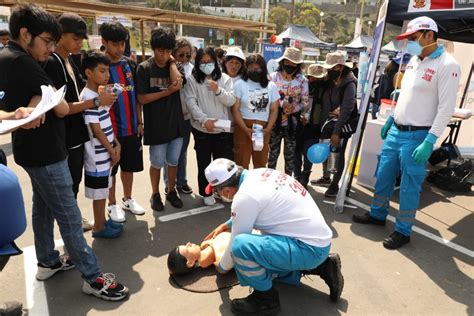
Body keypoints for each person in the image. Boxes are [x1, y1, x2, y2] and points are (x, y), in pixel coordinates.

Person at [0, 3, 128, 300]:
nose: (50, 47)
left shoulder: (6, 57)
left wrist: (31, 105)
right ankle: (93, 276)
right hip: (46, 152)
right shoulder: (25, 62)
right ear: (24, 33)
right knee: (69, 217)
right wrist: (93, 102)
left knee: (43, 207)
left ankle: (46, 259)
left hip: (29, 152)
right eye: (47, 41)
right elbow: (59, 106)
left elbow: (34, 97)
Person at [353, 16, 461, 249]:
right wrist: (391, 118)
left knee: (410, 184)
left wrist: (430, 140)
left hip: (418, 135)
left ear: (429, 35)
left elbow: (446, 108)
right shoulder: (414, 60)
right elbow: (404, 95)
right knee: (383, 175)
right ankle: (377, 214)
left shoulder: (448, 65)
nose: (409, 43)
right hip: (397, 131)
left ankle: (403, 230)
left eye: (413, 38)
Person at [202, 158, 344, 314]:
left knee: (241, 247)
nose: (217, 194)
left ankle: (266, 300)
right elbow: (252, 207)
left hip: (307, 249)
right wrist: (227, 225)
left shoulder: (245, 197)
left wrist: (221, 267)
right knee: (260, 260)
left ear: (226, 191)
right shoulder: (259, 173)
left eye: (216, 191)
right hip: (317, 243)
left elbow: (234, 246)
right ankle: (324, 266)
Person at [43, 13, 116, 232]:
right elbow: (63, 108)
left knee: (72, 188)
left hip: (75, 139)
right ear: (59, 35)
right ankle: (73, 236)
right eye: (75, 38)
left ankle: (78, 226)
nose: (79, 42)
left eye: (81, 38)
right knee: (66, 192)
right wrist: (97, 101)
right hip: (66, 141)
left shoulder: (69, 60)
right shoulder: (52, 63)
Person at [99, 21, 145, 221]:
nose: (120, 49)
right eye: (115, 44)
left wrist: (140, 123)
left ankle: (128, 198)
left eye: (122, 44)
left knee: (129, 166)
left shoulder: (130, 64)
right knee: (111, 169)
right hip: (111, 131)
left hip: (132, 128)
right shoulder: (99, 66)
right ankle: (112, 204)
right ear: (104, 42)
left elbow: (136, 97)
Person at [136, 27, 185, 211]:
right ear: (153, 48)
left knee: (173, 161)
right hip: (156, 125)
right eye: (160, 50)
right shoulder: (144, 68)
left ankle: (171, 191)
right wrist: (167, 92)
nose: (163, 55)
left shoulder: (176, 66)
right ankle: (155, 194)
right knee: (156, 162)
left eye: (167, 51)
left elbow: (178, 84)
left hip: (176, 124)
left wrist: (172, 63)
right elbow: (141, 98)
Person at [184, 46, 236, 206]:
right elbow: (191, 102)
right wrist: (204, 120)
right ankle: (206, 192)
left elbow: (231, 100)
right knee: (204, 163)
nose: (206, 64)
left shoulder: (226, 79)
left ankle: (225, 191)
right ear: (198, 63)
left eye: (210, 61)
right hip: (203, 129)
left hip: (223, 129)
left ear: (216, 61)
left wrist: (218, 90)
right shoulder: (192, 80)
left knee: (224, 163)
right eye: (203, 62)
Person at [81, 50, 124, 238]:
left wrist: (115, 144)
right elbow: (96, 130)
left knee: (103, 190)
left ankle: (103, 222)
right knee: (99, 194)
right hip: (97, 155)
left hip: (105, 152)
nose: (107, 75)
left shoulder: (98, 95)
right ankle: (99, 227)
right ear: (89, 73)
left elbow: (105, 122)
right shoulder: (89, 97)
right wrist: (111, 150)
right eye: (102, 71)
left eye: (107, 71)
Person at [310, 52, 358, 198]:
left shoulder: (349, 84)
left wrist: (336, 133)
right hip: (327, 124)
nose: (329, 70)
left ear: (340, 67)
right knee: (327, 151)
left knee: (337, 155)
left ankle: (335, 184)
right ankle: (326, 178)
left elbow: (347, 110)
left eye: (332, 68)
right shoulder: (331, 80)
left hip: (341, 126)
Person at [232, 53, 279, 169]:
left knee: (261, 164)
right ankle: (242, 187)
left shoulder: (271, 86)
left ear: (263, 69)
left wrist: (268, 129)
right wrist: (245, 128)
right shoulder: (239, 84)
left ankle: (258, 187)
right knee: (241, 165)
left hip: (263, 130)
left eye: (257, 69)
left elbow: (274, 110)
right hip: (243, 128)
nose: (254, 70)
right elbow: (235, 110)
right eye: (251, 68)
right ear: (246, 68)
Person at [268, 47, 309, 176]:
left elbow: (305, 102)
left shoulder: (303, 80)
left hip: (292, 123)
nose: (290, 65)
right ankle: (269, 180)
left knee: (290, 156)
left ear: (298, 65)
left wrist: (293, 108)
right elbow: (268, 96)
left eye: (293, 63)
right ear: (283, 62)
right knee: (272, 154)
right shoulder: (273, 77)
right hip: (274, 121)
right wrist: (281, 104)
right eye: (288, 62)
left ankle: (287, 181)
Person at [162, 37, 194, 195]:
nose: (185, 59)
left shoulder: (193, 69)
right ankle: (169, 184)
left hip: (187, 117)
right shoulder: (169, 68)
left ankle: (182, 181)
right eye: (181, 55)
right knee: (171, 154)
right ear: (173, 54)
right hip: (172, 117)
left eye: (188, 55)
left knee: (182, 152)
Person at [293, 64, 328, 188]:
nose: (315, 81)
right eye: (313, 78)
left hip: (314, 127)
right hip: (298, 124)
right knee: (296, 152)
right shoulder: (301, 86)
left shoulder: (325, 90)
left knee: (309, 153)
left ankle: (305, 176)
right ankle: (296, 176)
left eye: (318, 79)